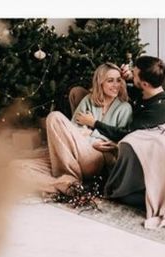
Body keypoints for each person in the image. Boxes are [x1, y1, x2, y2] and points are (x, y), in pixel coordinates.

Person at [43, 63, 133, 193]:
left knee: (55, 116)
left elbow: (119, 138)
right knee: (20, 166)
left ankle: (69, 178)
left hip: (97, 159)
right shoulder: (88, 100)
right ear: (100, 82)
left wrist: (90, 130)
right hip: (78, 149)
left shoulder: (125, 108)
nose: (116, 85)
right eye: (110, 81)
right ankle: (69, 179)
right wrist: (95, 139)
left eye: (119, 80)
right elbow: (73, 130)